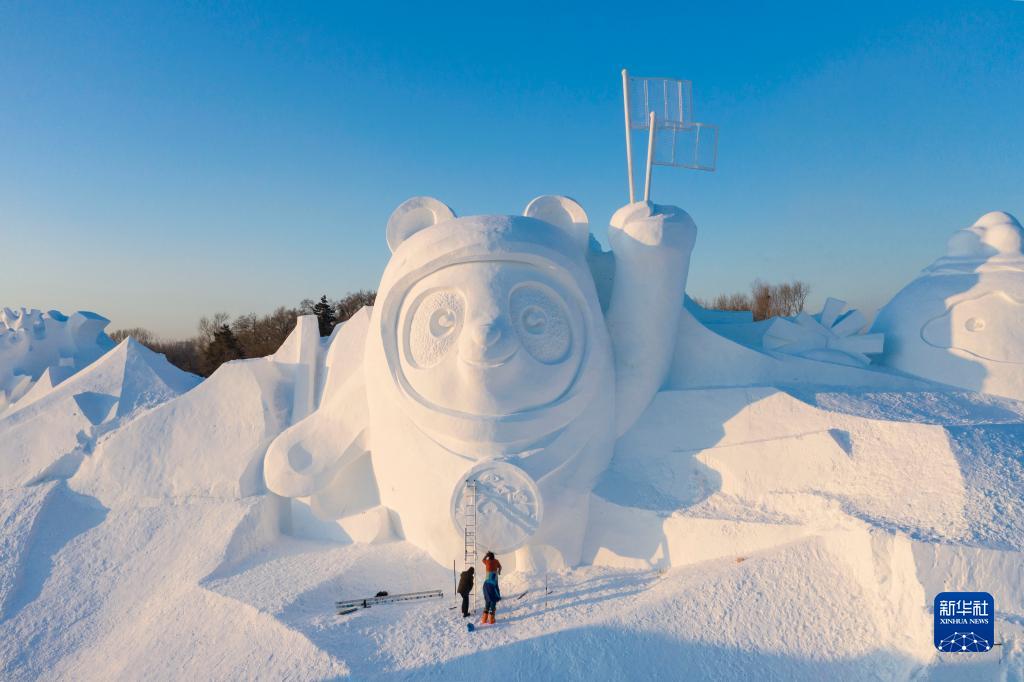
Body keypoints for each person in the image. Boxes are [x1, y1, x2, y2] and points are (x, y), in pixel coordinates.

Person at [481, 551, 501, 623]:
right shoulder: (496, 561)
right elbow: (500, 567)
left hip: (486, 583)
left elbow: (482, 560)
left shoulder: (487, 561)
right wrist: (499, 572)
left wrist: (486, 555)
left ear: (489, 557)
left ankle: (484, 619)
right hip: (493, 580)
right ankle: (491, 619)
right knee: (493, 600)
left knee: (487, 601)